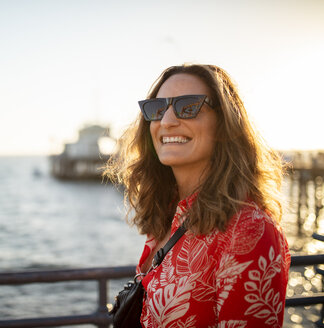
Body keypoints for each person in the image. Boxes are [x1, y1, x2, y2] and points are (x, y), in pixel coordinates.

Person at [105, 64, 291, 327]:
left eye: (188, 106)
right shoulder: (168, 215)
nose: (167, 121)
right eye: (157, 108)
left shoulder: (249, 231)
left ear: (225, 124)